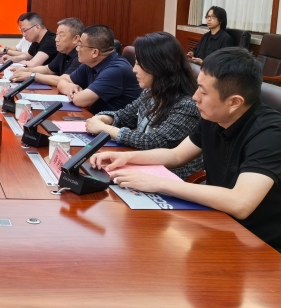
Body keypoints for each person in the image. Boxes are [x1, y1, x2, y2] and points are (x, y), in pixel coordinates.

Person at [90, 48, 281, 252]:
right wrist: (127, 158)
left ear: (235, 102)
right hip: (218, 220)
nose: (195, 97)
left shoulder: (270, 134)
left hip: (258, 243)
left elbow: (240, 203)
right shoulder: (214, 116)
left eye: (204, 92)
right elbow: (176, 155)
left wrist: (158, 183)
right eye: (198, 87)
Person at [85, 32, 203, 179]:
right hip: (143, 166)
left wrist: (105, 128)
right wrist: (103, 118)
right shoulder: (151, 92)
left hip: (172, 178)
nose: (134, 69)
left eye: (138, 64)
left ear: (158, 66)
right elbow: (126, 115)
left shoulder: (187, 104)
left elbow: (153, 142)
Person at [57, 24, 141, 113]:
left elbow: (80, 101)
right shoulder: (90, 62)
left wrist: (74, 93)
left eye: (80, 45)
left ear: (94, 52)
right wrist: (70, 87)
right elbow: (62, 81)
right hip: (96, 117)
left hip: (114, 120)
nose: (77, 49)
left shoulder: (115, 70)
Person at [11, 17, 83, 86]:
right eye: (57, 34)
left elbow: (64, 80)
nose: (56, 39)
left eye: (61, 35)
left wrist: (32, 75)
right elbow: (48, 69)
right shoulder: (63, 52)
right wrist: (25, 70)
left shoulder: (80, 55)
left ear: (75, 39)